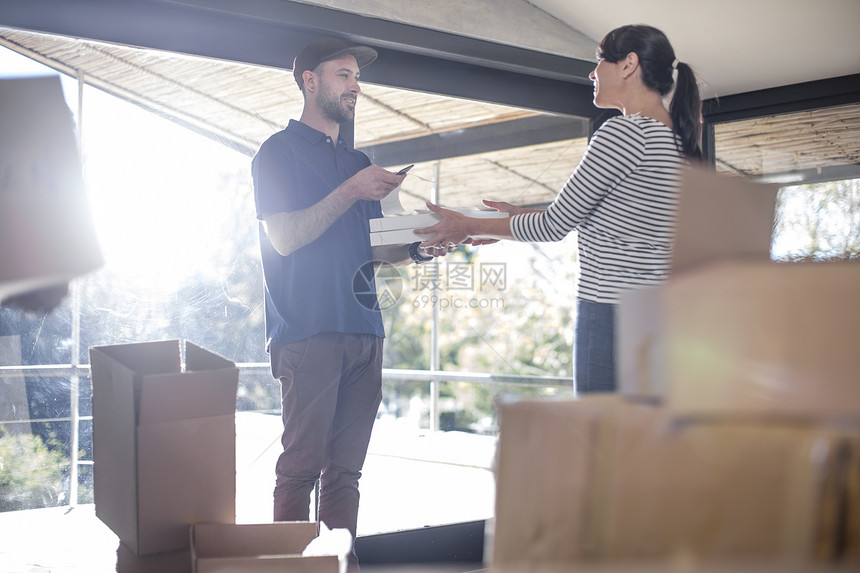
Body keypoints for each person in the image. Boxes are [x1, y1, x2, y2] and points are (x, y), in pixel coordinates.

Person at [417, 24, 702, 393]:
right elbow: (614, 224)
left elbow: (554, 225)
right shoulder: (675, 142)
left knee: (603, 444)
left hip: (611, 313)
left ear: (629, 64)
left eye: (600, 60)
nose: (592, 72)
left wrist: (467, 226)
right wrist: (507, 221)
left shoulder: (625, 133)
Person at [251, 37, 445, 571]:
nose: (355, 85)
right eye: (343, 75)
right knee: (300, 470)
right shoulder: (277, 153)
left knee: (346, 474)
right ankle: (289, 567)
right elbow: (286, 237)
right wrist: (351, 190)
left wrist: (421, 249)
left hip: (365, 331)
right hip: (309, 332)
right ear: (310, 82)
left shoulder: (358, 161)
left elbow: (368, 250)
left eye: (356, 77)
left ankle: (339, 567)